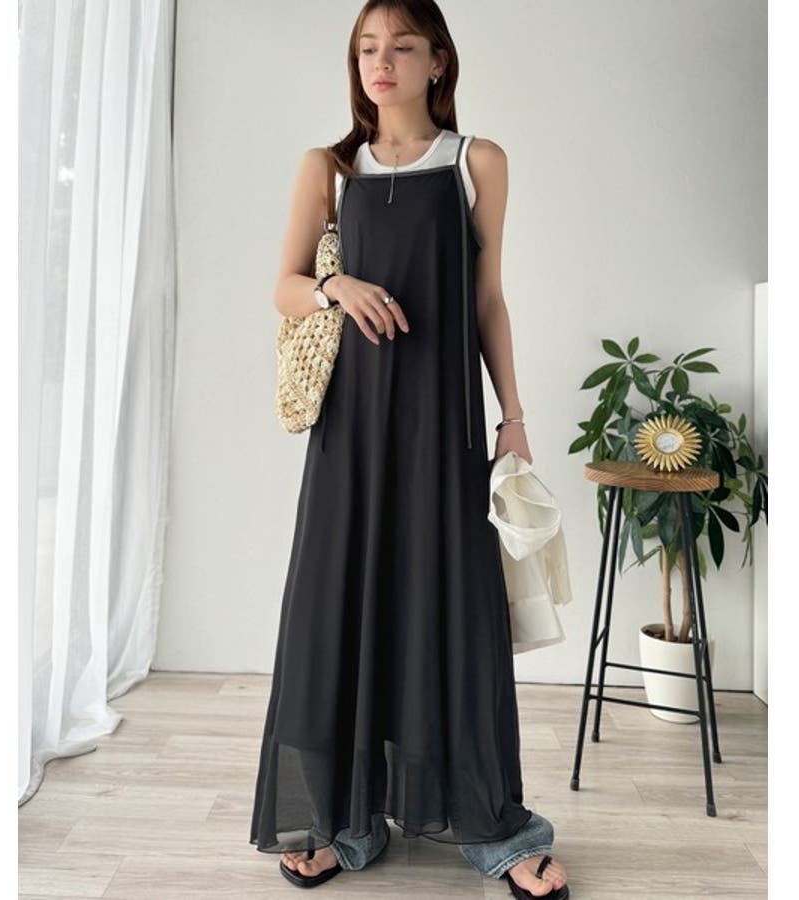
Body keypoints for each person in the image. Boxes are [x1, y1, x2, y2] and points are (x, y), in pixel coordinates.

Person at [251, 2, 570, 897]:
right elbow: (284, 286)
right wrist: (335, 285)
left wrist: (512, 415)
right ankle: (343, 820)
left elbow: (487, 298)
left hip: (443, 424)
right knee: (338, 606)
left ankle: (490, 828)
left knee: (449, 609)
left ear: (438, 61)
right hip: (351, 432)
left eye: (400, 46)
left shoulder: (477, 162)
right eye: (366, 47)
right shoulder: (328, 168)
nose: (380, 61)